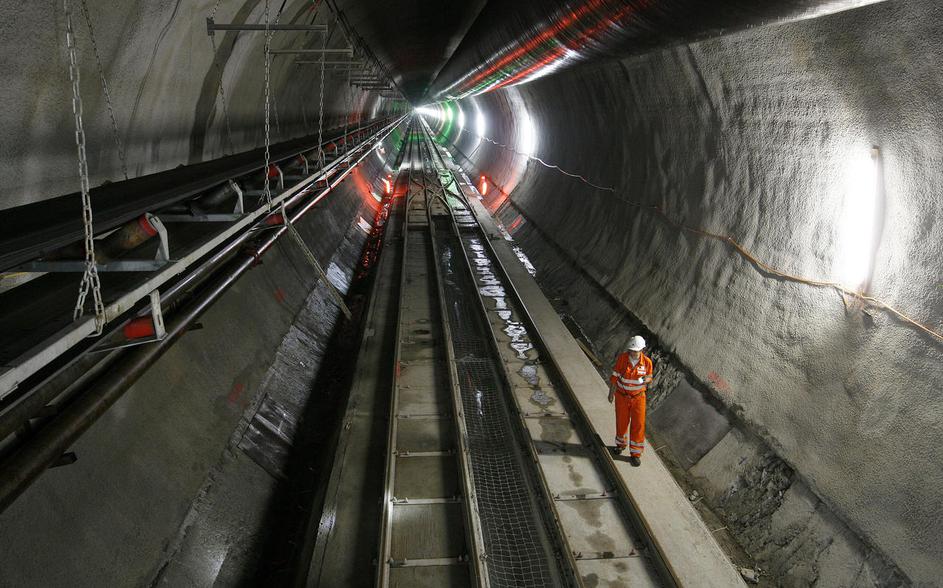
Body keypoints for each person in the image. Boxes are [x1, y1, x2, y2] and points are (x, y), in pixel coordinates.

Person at [608, 335, 653, 466]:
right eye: (631, 350)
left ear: (642, 350)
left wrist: (646, 380)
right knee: (621, 421)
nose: (632, 353)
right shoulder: (622, 359)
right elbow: (615, 377)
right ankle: (620, 445)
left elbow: (650, 376)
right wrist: (611, 393)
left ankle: (635, 453)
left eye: (635, 351)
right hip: (622, 396)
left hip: (638, 398)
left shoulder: (647, 362)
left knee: (638, 425)